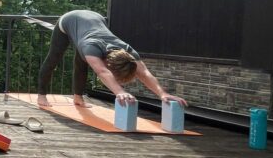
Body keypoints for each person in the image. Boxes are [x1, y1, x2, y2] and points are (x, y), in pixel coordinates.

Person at [36, 9, 187, 108]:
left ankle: (78, 98)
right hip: (69, 20)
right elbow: (103, 72)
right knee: (53, 59)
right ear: (108, 63)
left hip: (95, 19)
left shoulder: (128, 52)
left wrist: (162, 94)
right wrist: (119, 91)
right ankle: (41, 96)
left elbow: (145, 73)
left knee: (82, 62)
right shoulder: (91, 47)